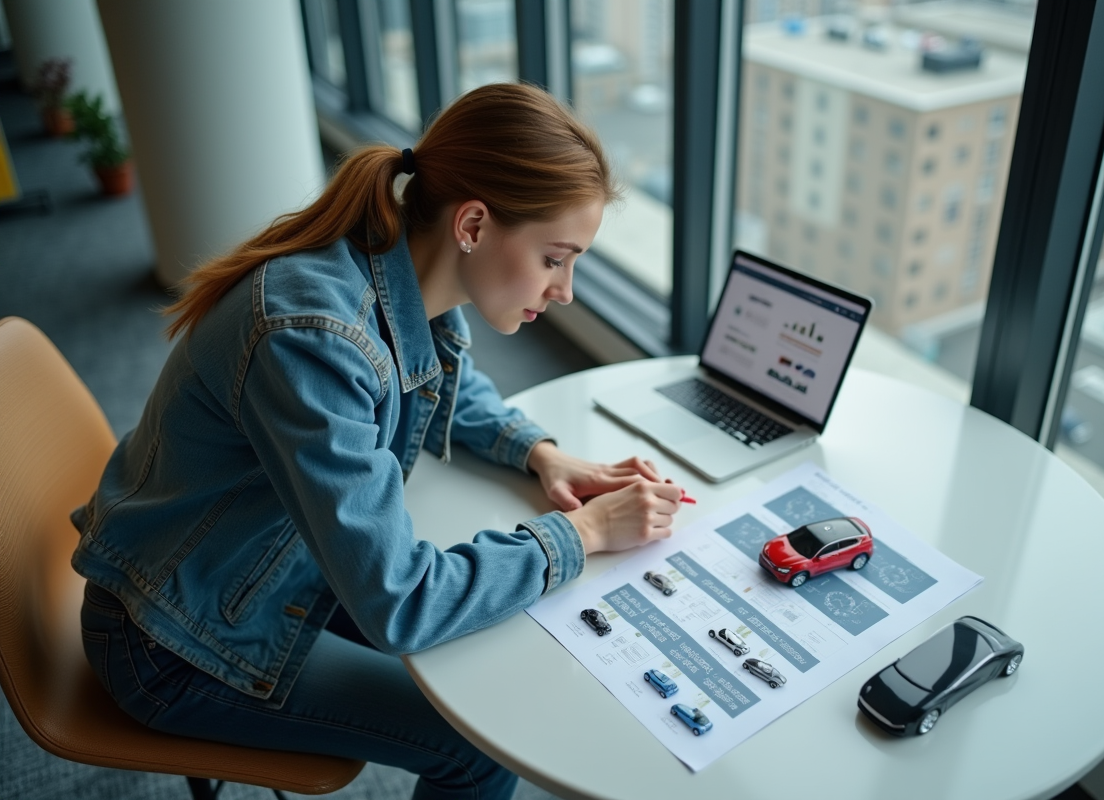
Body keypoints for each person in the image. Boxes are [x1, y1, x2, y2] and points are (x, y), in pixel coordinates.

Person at [70, 83, 685, 800]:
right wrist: (579, 535)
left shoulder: (396, 261)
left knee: (502, 655)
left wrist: (538, 452)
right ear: (475, 225)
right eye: (555, 258)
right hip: (174, 641)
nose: (566, 290)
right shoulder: (313, 338)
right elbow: (401, 602)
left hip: (258, 575)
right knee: (479, 745)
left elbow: (443, 377)